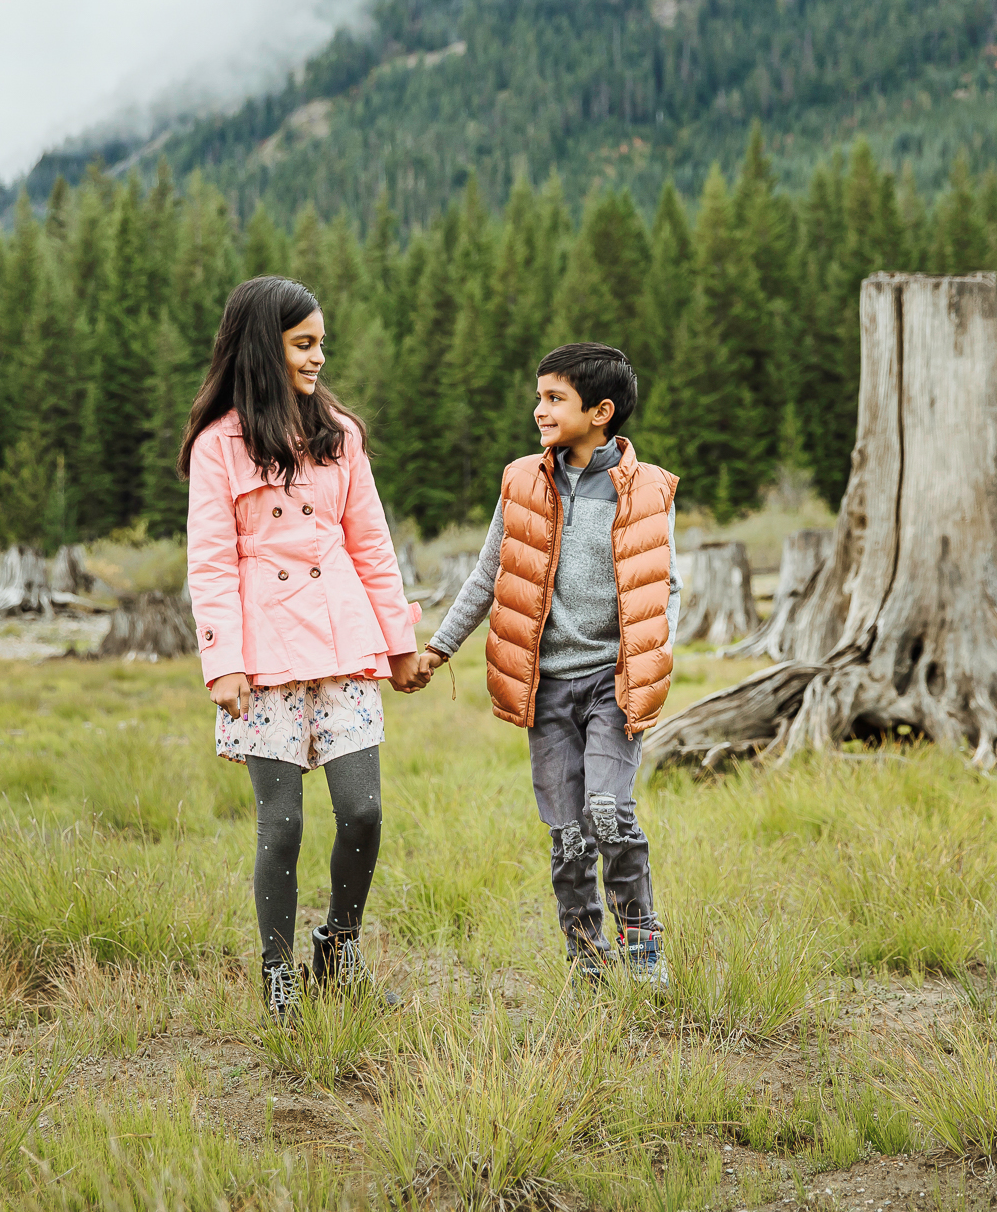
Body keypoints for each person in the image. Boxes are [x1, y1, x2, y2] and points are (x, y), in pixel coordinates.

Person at [182, 275, 424, 1021]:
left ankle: (339, 948)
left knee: (363, 812)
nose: (320, 357)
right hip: (264, 656)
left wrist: (401, 644)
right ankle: (277, 972)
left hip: (344, 641)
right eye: (304, 344)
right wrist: (222, 662)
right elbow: (211, 560)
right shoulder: (219, 445)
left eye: (322, 343)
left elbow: (373, 547)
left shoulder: (340, 435)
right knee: (280, 823)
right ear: (265, 345)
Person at [411, 343, 680, 984]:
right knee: (569, 836)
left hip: (613, 684)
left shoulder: (648, 489)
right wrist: (439, 647)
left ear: (601, 411)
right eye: (539, 396)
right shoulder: (523, 482)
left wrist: (649, 662)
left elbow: (664, 588)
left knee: (611, 814)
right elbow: (488, 573)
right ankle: (586, 962)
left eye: (554, 398)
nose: (539, 410)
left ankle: (643, 951)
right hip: (547, 688)